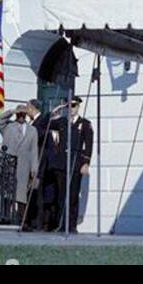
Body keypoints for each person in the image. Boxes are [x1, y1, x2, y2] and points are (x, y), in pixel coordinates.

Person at [37, 98, 93, 233]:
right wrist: (54, 111)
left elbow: (89, 144)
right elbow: (43, 124)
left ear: (78, 106)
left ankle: (71, 225)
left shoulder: (84, 124)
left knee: (73, 195)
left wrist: (86, 163)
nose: (71, 108)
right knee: (62, 195)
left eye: (73, 106)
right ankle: (62, 224)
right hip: (61, 164)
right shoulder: (62, 122)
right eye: (69, 106)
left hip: (75, 162)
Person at [0, 102, 41, 228]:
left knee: (21, 195)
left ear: (27, 115)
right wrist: (12, 112)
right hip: (9, 164)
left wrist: (34, 169)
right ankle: (4, 217)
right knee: (7, 193)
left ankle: (23, 222)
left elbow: (34, 151)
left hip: (24, 165)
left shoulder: (32, 130)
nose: (21, 116)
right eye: (19, 113)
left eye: (23, 113)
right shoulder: (8, 127)